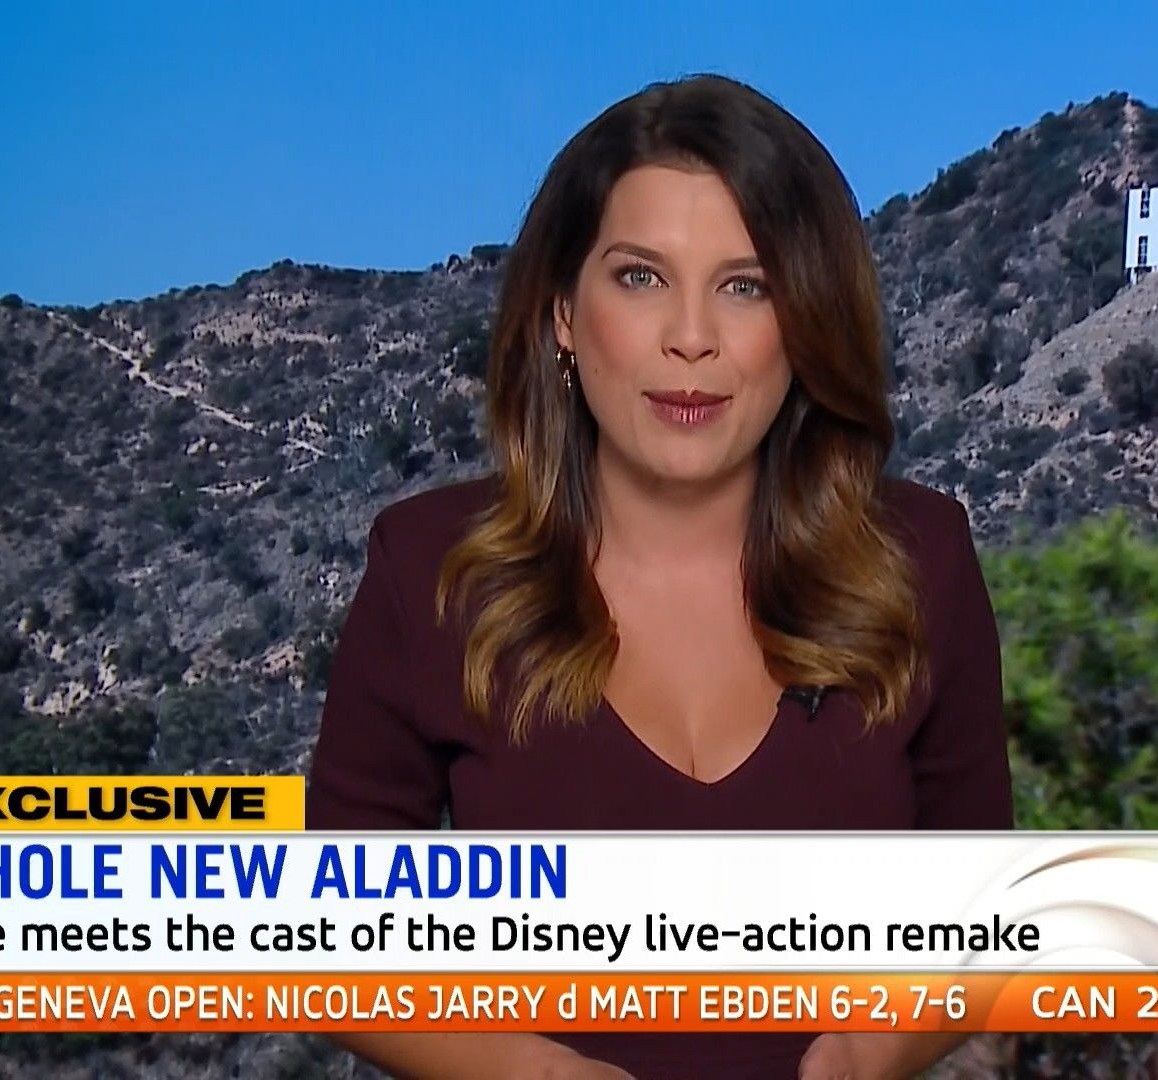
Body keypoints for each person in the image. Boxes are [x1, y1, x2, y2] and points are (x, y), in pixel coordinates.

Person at [307, 72, 1015, 1080]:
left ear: (805, 322)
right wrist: (540, 1077)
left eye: (746, 285)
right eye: (641, 278)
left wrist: (863, 1055)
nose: (692, 337)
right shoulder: (429, 571)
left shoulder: (921, 559)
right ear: (562, 311)